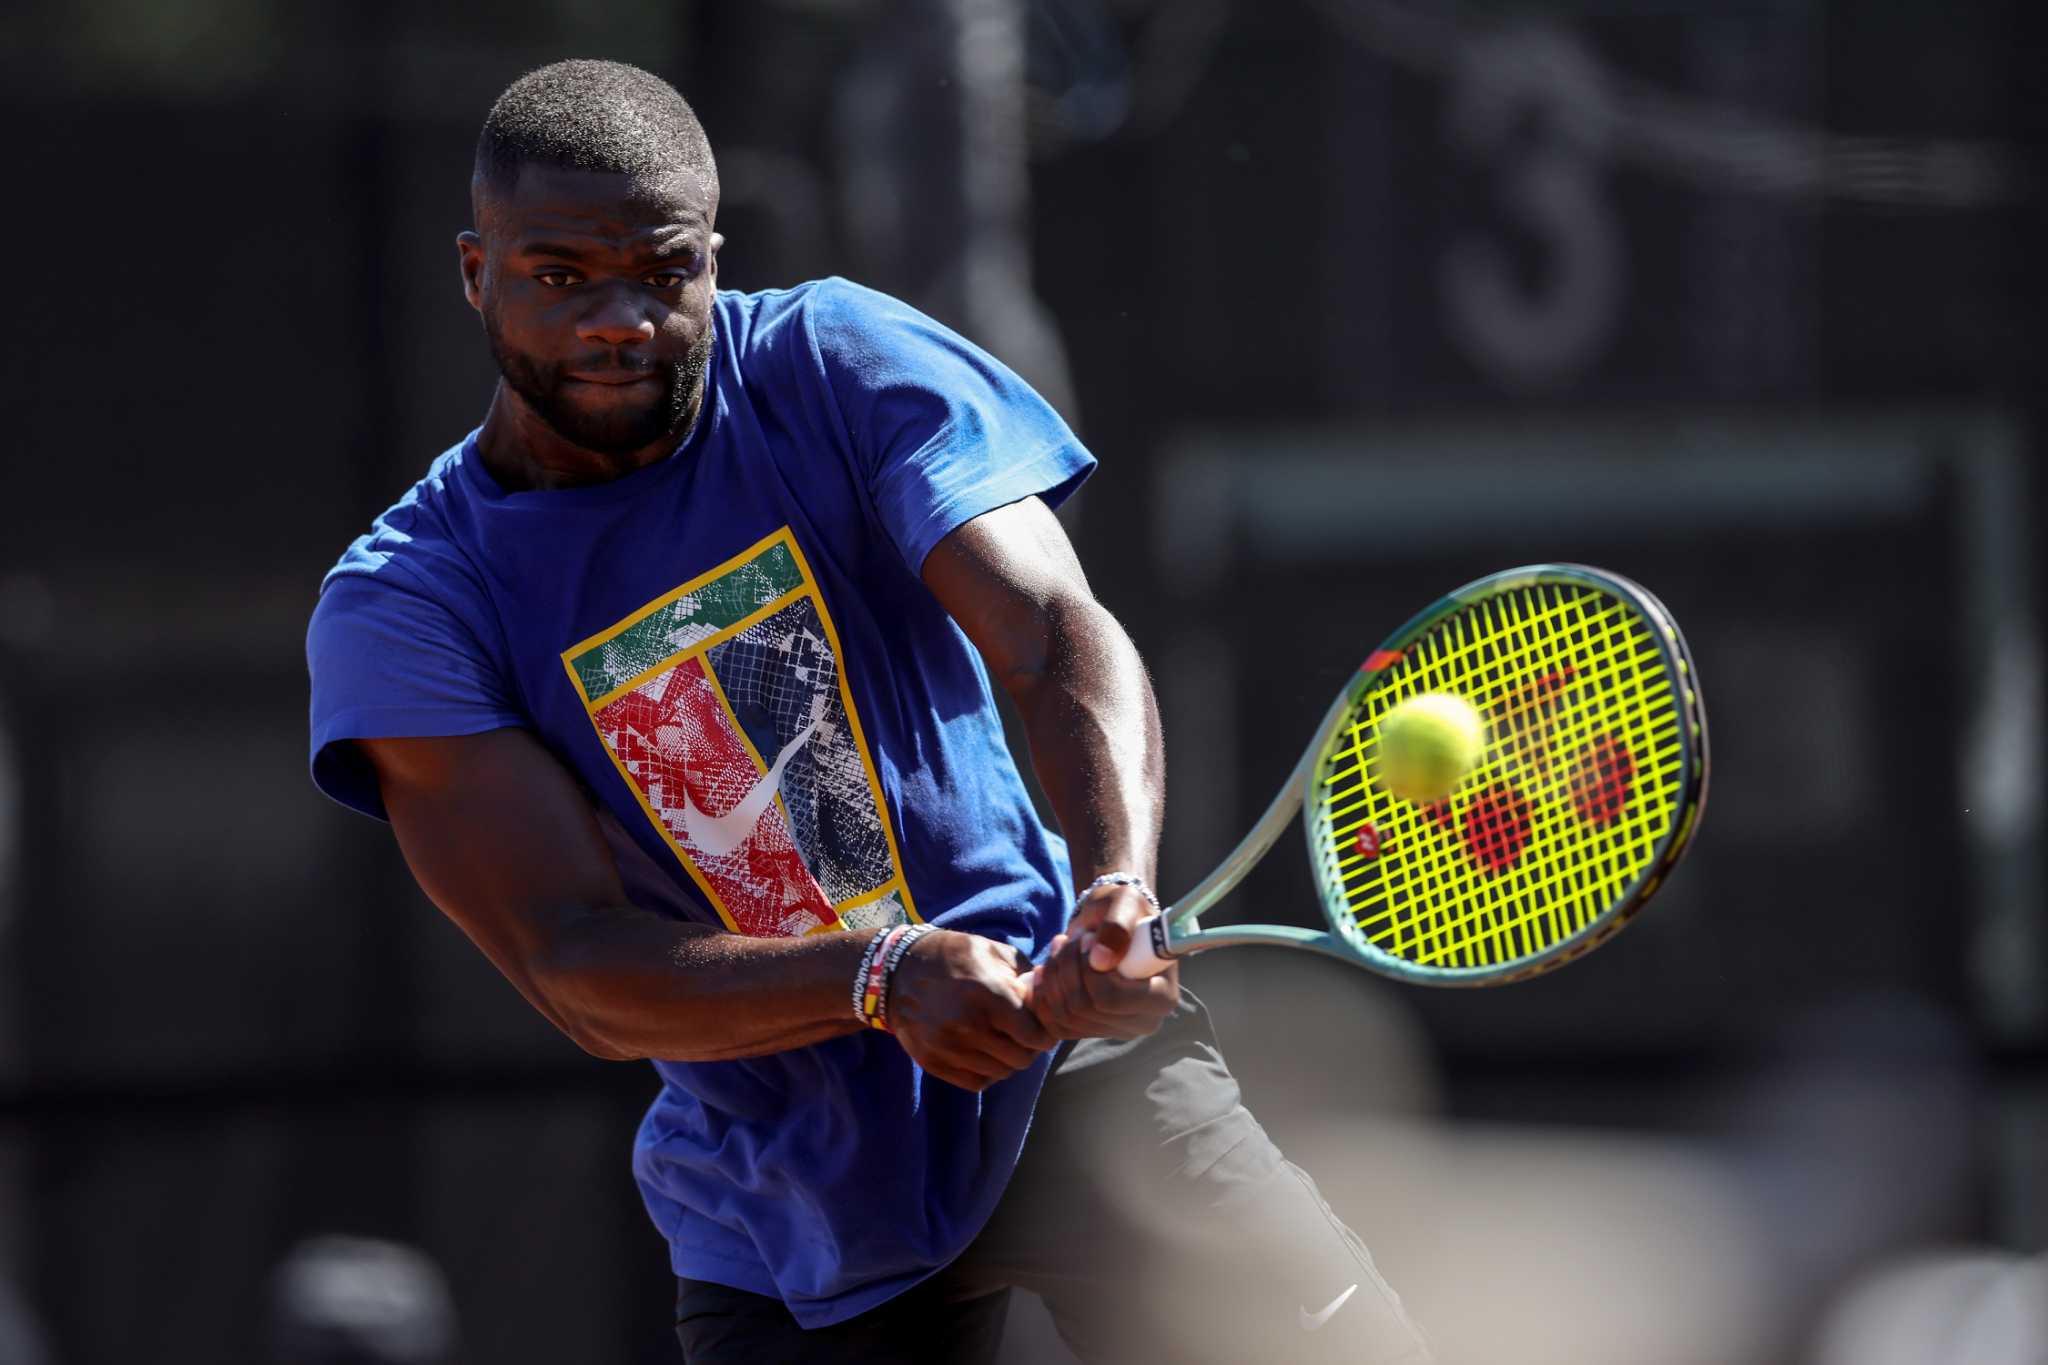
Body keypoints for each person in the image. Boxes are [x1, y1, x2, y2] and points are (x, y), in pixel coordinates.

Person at [305, 58, 1429, 1364]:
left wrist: (1115, 885)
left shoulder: (833, 361)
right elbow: (576, 965)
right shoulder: (411, 602)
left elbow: (1053, 634)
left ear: (712, 259)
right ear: (475, 272)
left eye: (663, 271)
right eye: (560, 275)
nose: (619, 320)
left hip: (1071, 1070)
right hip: (785, 1204)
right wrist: (879, 976)